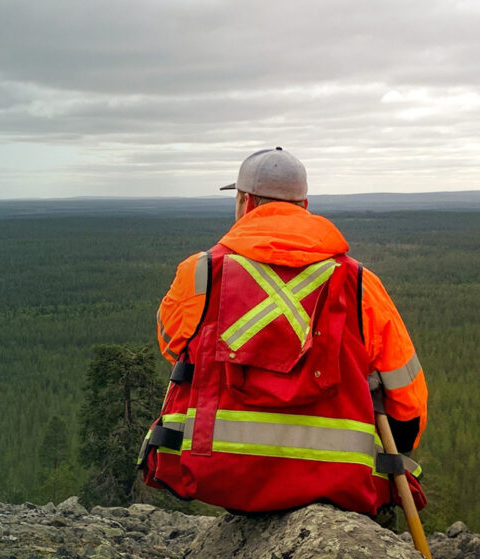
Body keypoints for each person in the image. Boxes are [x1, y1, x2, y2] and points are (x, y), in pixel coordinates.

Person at [139, 147, 428, 516]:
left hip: (219, 469)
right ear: (304, 205)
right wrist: (400, 442)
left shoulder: (199, 273)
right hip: (337, 479)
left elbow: (173, 347)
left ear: (245, 202)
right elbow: (406, 396)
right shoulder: (359, 283)